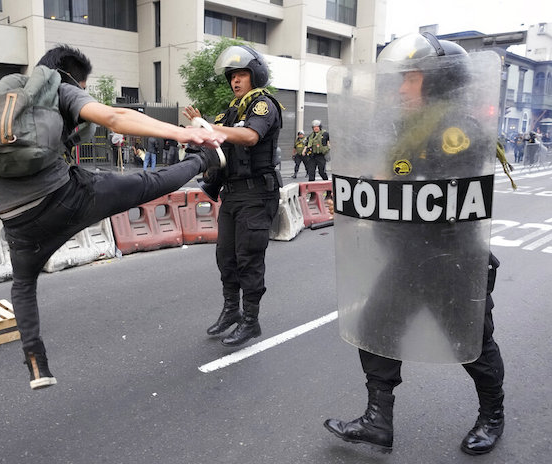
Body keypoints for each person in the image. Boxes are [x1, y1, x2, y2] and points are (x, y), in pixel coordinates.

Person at [0, 44, 225, 390]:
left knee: (23, 284)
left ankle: (37, 364)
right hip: (65, 199)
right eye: (84, 86)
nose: (83, 93)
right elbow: (115, 117)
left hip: (16, 221)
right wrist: (183, 132)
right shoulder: (63, 90)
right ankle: (204, 160)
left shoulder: (1, 90)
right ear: (72, 76)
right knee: (146, 184)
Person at [323, 33, 505, 456]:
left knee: (472, 346)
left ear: (438, 82)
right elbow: (399, 179)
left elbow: (438, 186)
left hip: (452, 259)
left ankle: (492, 415)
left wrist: (386, 190)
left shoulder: (457, 128)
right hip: (408, 257)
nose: (401, 86)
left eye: (411, 78)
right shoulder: (409, 128)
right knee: (374, 330)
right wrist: (357, 196)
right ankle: (377, 422)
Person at [183, 44, 282, 347]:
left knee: (248, 259)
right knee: (225, 258)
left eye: (242, 75)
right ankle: (231, 312)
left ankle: (251, 321)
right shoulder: (229, 112)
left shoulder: (263, 106)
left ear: (255, 76)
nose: (236, 81)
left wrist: (209, 127)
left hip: (256, 195)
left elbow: (250, 136)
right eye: (233, 77)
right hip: (232, 195)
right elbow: (216, 143)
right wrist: (201, 128)